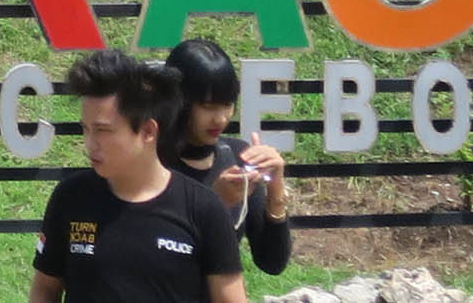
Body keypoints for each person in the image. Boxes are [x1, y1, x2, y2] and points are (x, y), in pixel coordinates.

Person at [30, 48, 245, 303]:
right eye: (86, 129)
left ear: (148, 131)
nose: (90, 143)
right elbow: (45, 290)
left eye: (103, 130)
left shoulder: (204, 209)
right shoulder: (71, 198)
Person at [163, 39, 294, 277]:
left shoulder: (236, 156)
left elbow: (271, 262)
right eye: (208, 106)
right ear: (178, 101)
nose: (221, 119)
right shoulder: (151, 164)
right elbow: (157, 259)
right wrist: (215, 204)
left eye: (227, 105)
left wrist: (275, 190)